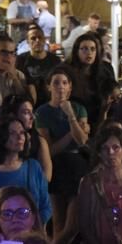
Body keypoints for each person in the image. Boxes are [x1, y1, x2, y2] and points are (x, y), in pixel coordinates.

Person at [0, 113, 55, 226]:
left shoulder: (33, 167)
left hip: (30, 234)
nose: (20, 137)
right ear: (0, 137)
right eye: (12, 133)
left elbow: (46, 206)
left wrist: (31, 225)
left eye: (22, 133)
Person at [36, 65, 93, 233]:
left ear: (70, 87)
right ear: (49, 86)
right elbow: (50, 149)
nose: (60, 86)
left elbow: (82, 140)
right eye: (56, 83)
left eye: (64, 82)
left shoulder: (77, 108)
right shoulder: (42, 112)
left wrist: (71, 116)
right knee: (59, 221)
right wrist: (71, 132)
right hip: (56, 167)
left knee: (74, 222)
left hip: (77, 165)